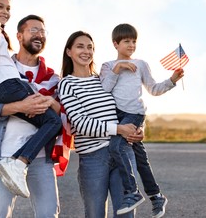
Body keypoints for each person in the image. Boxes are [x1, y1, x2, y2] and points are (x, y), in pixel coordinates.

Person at [0, 0, 62, 198]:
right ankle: (18, 164)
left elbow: (63, 109)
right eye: (0, 6)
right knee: (52, 123)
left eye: (8, 8)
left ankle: (17, 164)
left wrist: (38, 103)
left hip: (7, 88)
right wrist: (22, 105)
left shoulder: (53, 77)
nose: (5, 11)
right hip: (8, 86)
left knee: (49, 119)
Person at [99, 23, 184, 218]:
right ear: (115, 43)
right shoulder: (108, 66)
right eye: (126, 41)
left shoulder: (141, 64)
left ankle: (132, 192)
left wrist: (172, 80)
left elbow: (153, 89)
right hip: (117, 115)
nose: (131, 45)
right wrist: (118, 69)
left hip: (134, 114)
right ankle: (156, 196)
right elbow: (104, 90)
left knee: (116, 147)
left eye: (134, 41)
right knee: (141, 159)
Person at [58, 30, 144, 218]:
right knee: (95, 214)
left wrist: (138, 129)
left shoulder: (104, 80)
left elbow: (127, 108)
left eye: (90, 47)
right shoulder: (66, 84)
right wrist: (119, 129)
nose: (86, 51)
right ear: (69, 52)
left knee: (126, 214)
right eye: (80, 46)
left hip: (122, 150)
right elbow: (80, 123)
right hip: (93, 157)